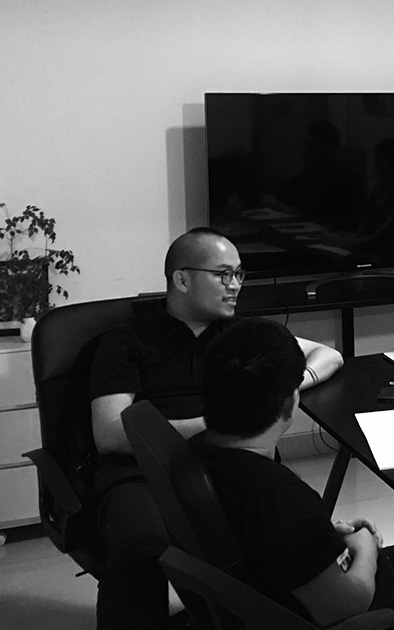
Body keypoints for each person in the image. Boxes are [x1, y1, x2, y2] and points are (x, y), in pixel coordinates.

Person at [87, 227, 344, 630]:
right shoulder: (127, 341)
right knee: (142, 544)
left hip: (231, 464)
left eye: (239, 274)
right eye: (223, 274)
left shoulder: (238, 337)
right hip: (140, 474)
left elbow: (328, 354)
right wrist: (224, 419)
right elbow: (109, 434)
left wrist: (285, 384)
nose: (235, 285)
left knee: (283, 523)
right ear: (182, 279)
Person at [194, 318, 394, 626]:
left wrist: (323, 538)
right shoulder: (277, 496)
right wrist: (365, 546)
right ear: (289, 404)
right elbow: (348, 603)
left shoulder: (199, 455)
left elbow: (278, 542)